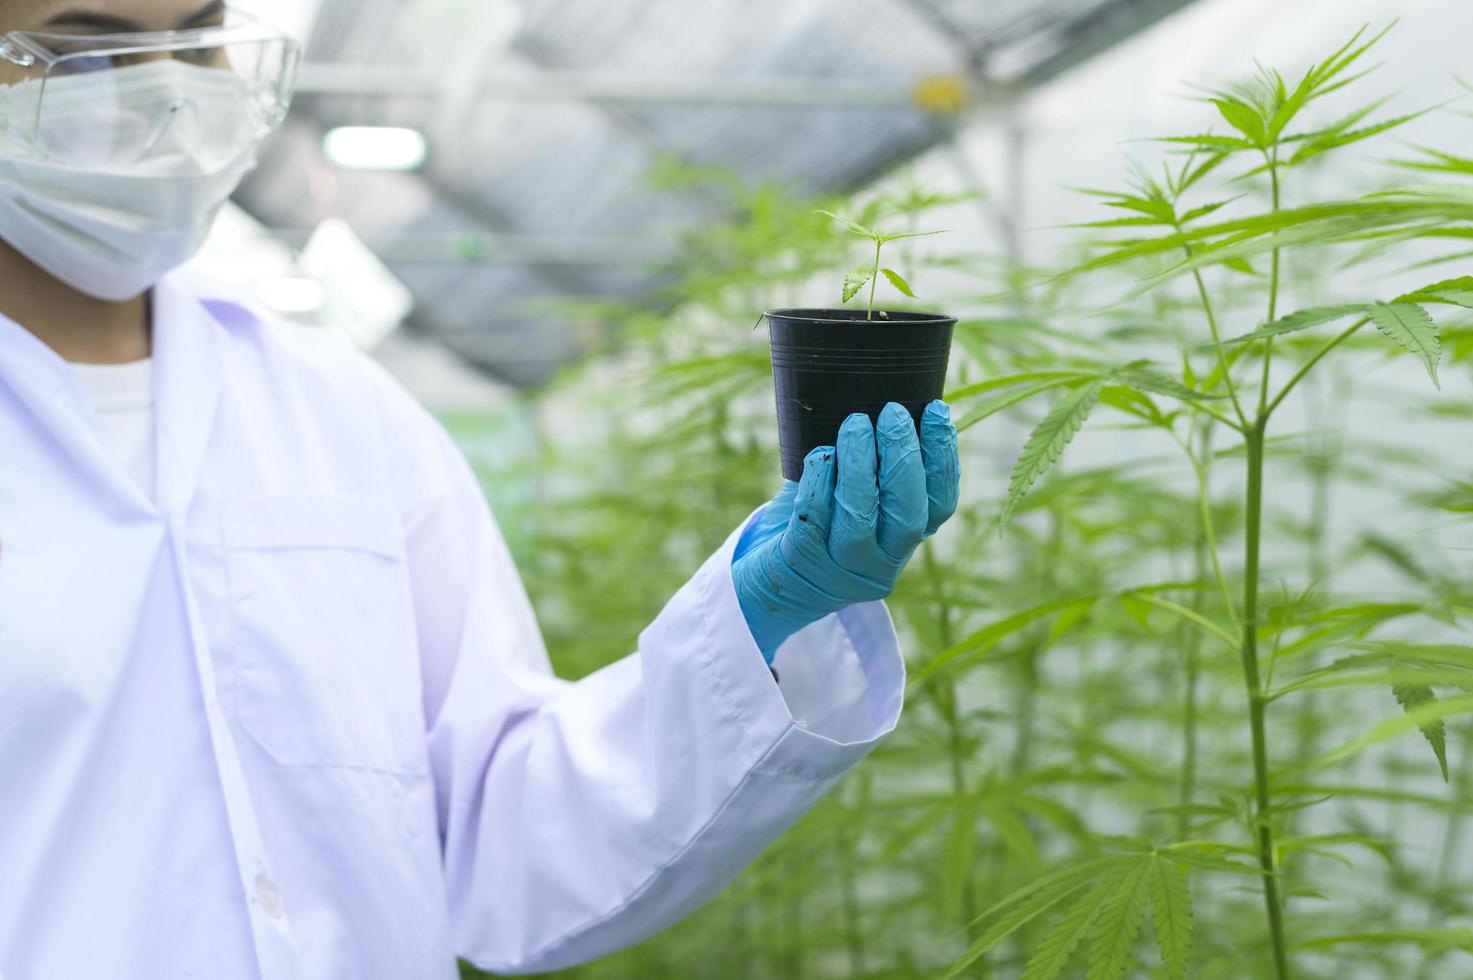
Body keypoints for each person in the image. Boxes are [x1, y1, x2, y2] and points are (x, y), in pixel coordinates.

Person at [0, 2, 961, 978]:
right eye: (87, 47)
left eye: (199, 34)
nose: (171, 91)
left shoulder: (336, 411)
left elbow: (496, 829)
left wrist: (765, 623)